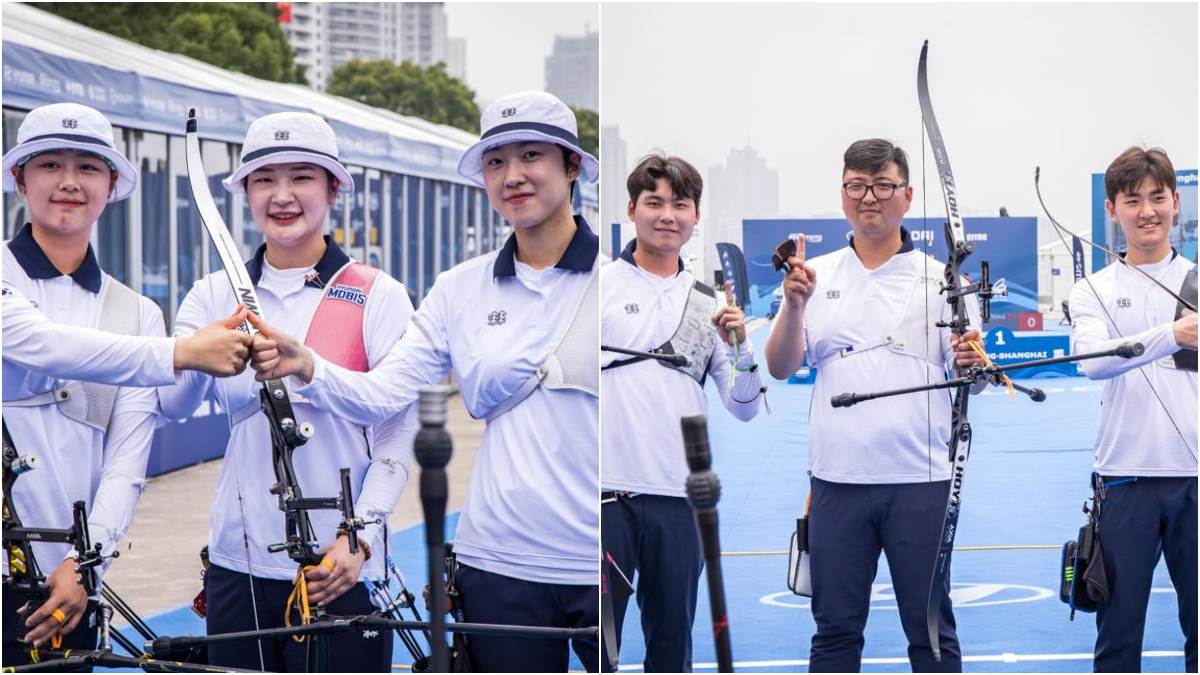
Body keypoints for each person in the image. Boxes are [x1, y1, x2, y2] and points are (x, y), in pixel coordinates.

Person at [247, 90, 601, 672]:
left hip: (600, 559)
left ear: (570, 165)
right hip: (498, 563)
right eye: (495, 162)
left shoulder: (612, 281)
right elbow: (385, 395)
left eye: (531, 156)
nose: (512, 176)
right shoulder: (458, 289)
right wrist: (307, 363)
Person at [156, 112, 416, 672]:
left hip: (340, 566)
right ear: (246, 191)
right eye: (264, 178)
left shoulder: (378, 293)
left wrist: (360, 538)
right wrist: (194, 351)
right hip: (238, 565)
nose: (282, 195)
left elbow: (398, 431)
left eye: (301, 176)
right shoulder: (209, 294)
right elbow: (171, 406)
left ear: (333, 188)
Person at [0, 102, 249, 666]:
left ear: (112, 184)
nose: (69, 182)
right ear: (20, 178)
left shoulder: (136, 313)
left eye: (88, 167)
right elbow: (45, 343)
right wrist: (184, 352)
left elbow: (125, 464)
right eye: (49, 165)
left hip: (69, 586)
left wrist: (86, 566)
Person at [763, 139, 987, 673]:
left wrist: (969, 362)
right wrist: (793, 307)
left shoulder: (944, 279)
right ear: (843, 195)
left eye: (883, 186)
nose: (870, 197)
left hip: (923, 482)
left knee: (931, 632)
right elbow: (779, 365)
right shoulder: (813, 276)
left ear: (907, 196)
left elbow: (972, 380)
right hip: (837, 483)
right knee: (835, 632)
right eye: (857, 186)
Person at [600, 153, 763, 672]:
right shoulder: (594, 288)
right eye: (654, 202)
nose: (667, 214)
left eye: (680, 204)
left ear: (695, 218)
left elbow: (745, 408)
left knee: (672, 648)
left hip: (680, 501)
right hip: (604, 497)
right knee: (598, 647)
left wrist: (740, 348)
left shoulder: (709, 302)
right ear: (632, 209)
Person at [1067, 146, 1196, 673]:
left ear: (1176, 202)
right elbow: (1093, 363)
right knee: (1118, 637)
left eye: (1158, 198)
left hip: (1194, 478)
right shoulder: (1092, 289)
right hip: (1124, 481)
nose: (1147, 210)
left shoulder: (1194, 278)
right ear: (1113, 209)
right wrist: (1172, 333)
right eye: (1133, 199)